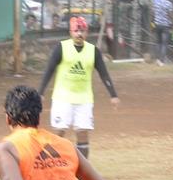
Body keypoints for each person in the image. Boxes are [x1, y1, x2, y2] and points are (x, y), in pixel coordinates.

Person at [38, 17, 120, 159]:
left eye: (82, 31)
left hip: (84, 99)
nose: (79, 34)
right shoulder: (61, 48)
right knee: (59, 131)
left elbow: (104, 74)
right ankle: (47, 164)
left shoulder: (93, 51)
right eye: (76, 31)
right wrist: (41, 92)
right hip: (62, 98)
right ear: (70, 32)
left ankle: (83, 169)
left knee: (82, 132)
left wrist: (113, 95)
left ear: (86, 32)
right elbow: (49, 70)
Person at [152, 0, 173, 66]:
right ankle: (162, 61)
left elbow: (153, 12)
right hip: (165, 25)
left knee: (158, 42)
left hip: (157, 24)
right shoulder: (169, 3)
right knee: (164, 44)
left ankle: (157, 59)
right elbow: (170, 15)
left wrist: (153, 22)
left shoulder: (156, 1)